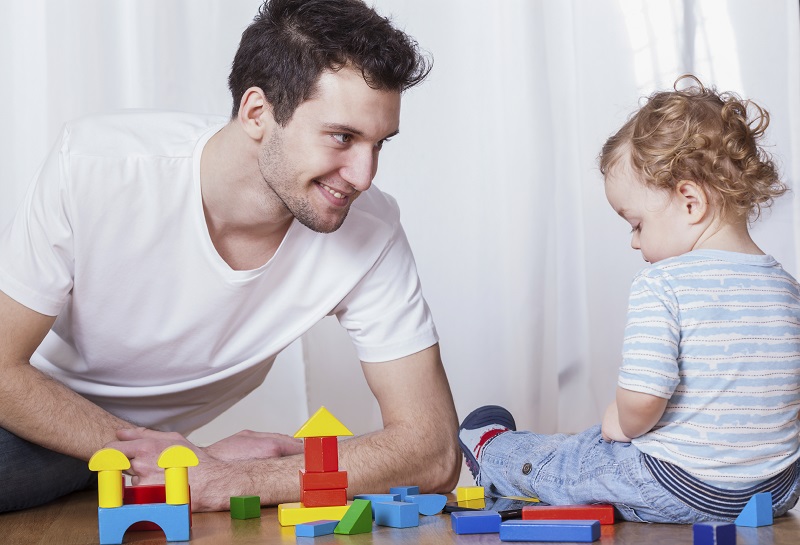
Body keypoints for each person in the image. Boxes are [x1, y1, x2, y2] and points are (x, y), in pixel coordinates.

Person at [0, 0, 461, 513]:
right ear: (257, 113)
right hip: (29, 406)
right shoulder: (99, 168)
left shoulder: (370, 231)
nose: (364, 176)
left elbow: (434, 451)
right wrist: (173, 459)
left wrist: (234, 477)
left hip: (118, 456)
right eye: (342, 137)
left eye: (379, 144)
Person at [458, 76, 800, 524]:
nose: (634, 242)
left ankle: (492, 450)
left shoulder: (664, 282)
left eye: (636, 224)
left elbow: (642, 403)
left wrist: (620, 422)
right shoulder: (788, 289)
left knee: (580, 456)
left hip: (680, 486)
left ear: (690, 202)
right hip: (773, 492)